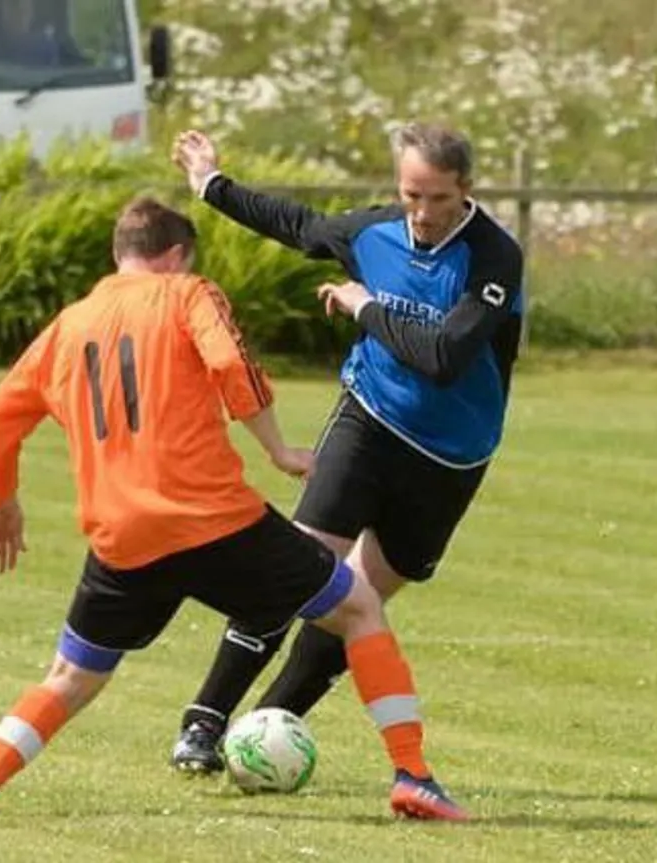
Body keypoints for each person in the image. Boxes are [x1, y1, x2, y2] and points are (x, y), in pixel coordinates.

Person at [0, 196, 468, 822]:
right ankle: (412, 775)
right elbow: (231, 363)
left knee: (70, 676)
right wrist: (277, 449)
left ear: (121, 255)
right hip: (216, 522)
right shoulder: (188, 292)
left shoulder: (69, 324)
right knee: (359, 607)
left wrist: (0, 504)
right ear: (174, 256)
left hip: (122, 537)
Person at [166, 124, 525, 776]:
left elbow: (444, 357)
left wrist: (363, 307)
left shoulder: (495, 258)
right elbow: (300, 225)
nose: (420, 212)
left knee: (354, 603)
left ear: (465, 190)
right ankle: (206, 719)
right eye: (410, 195)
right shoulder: (374, 232)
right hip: (368, 425)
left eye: (437, 198)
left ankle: (267, 730)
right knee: (299, 569)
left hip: (449, 462)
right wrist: (211, 185)